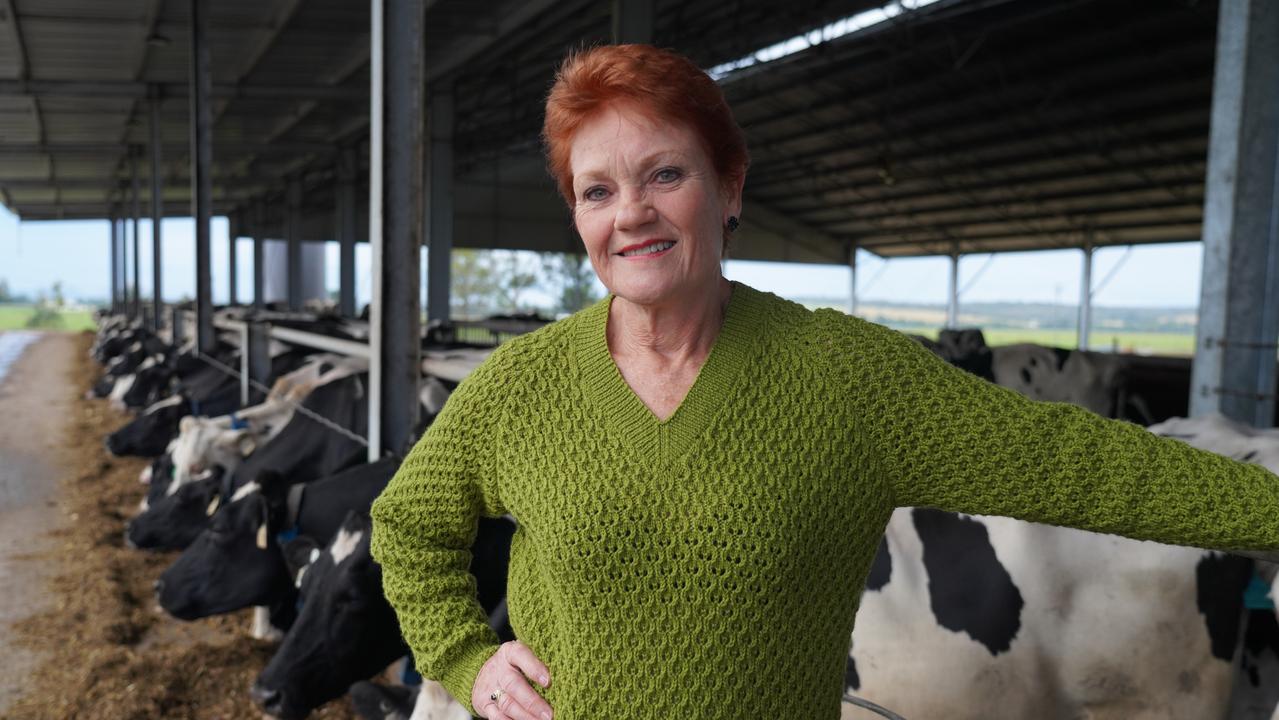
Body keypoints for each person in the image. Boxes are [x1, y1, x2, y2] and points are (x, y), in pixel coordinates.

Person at [369, 44, 1279, 720]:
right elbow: (408, 524)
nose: (631, 213)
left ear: (728, 188)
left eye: (665, 174)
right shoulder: (521, 386)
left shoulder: (846, 380)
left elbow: (1077, 463)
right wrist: (464, 655)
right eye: (596, 191)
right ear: (576, 216)